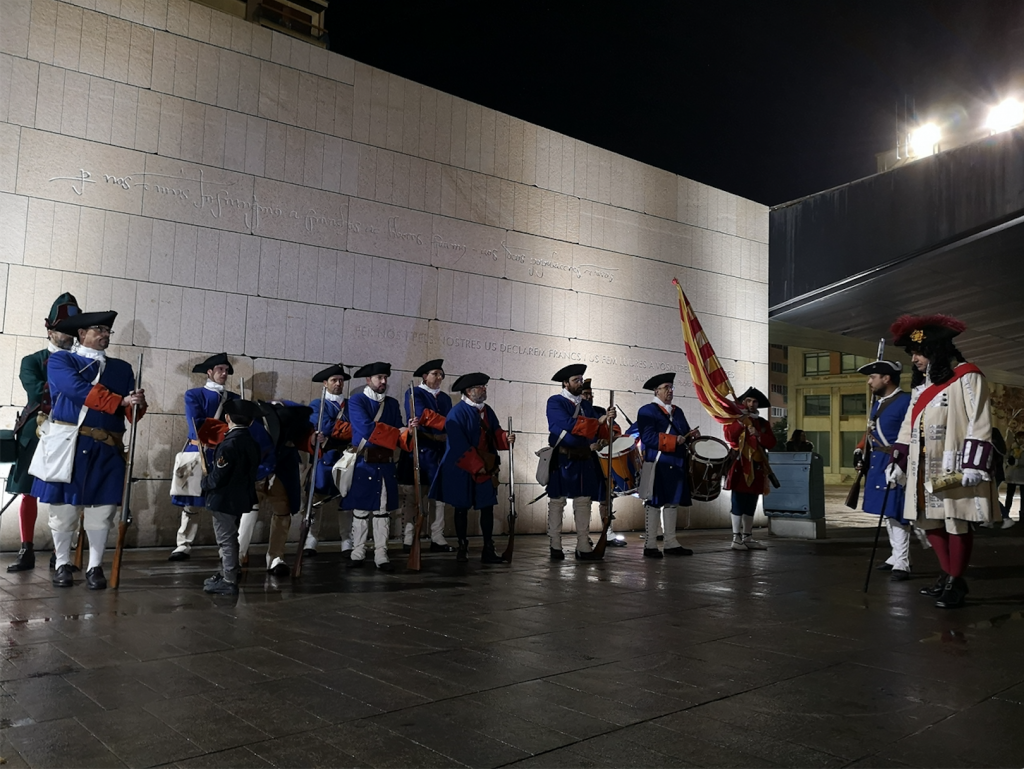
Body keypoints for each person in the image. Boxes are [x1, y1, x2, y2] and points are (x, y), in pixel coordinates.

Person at [887, 314, 1002, 609]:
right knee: (929, 522)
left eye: (918, 352)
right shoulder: (922, 386)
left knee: (956, 522)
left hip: (955, 464)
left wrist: (975, 463)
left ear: (936, 350)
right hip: (922, 465)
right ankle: (950, 575)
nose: (914, 359)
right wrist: (898, 461)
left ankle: (955, 580)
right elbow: (908, 425)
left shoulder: (968, 376)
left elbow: (980, 420)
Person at [32, 310, 147, 589]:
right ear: (82, 334)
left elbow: (131, 412)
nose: (106, 335)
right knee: (64, 510)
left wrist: (137, 404)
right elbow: (74, 389)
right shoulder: (61, 360)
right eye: (100, 330)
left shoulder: (122, 369)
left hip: (108, 447)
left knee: (103, 510)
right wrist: (120, 401)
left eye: (108, 331)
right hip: (72, 444)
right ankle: (62, 563)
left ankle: (95, 567)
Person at [5, 293, 80, 573]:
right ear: (49, 330)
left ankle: (61, 553)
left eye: (73, 330)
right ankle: (26, 549)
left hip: (70, 432)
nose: (69, 335)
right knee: (28, 492)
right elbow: (36, 391)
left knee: (63, 493)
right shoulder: (32, 360)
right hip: (36, 431)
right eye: (63, 329)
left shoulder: (82, 362)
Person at [429, 373, 514, 563]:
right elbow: (459, 445)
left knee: (487, 508)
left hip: (484, 466)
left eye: (484, 387)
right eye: (480, 387)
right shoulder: (457, 412)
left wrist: (504, 438)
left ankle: (488, 549)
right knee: (461, 508)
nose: (484, 390)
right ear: (469, 391)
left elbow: (495, 432)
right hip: (463, 467)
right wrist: (478, 466)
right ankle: (462, 546)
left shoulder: (487, 411)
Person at [341, 362, 414, 571]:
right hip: (365, 462)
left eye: (385, 378)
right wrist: (396, 432)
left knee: (382, 510)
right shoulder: (356, 401)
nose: (383, 381)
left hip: (385, 464)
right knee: (361, 510)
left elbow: (399, 428)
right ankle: (358, 551)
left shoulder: (390, 403)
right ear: (368, 380)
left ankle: (381, 553)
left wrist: (408, 430)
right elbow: (365, 428)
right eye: (379, 377)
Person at [168, 353, 239, 561]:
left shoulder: (234, 398)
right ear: (209, 372)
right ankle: (183, 544)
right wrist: (228, 430)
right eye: (220, 369)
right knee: (191, 500)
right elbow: (196, 426)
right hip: (198, 451)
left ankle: (225, 546)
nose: (224, 373)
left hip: (223, 453)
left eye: (226, 370)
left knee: (224, 503)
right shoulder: (194, 395)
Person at [545, 364, 614, 561]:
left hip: (583, 459)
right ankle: (555, 543)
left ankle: (583, 544)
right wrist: (597, 422)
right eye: (576, 380)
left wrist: (607, 420)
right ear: (565, 383)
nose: (580, 384)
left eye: (581, 380)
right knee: (557, 501)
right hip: (563, 458)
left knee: (583, 501)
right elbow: (568, 425)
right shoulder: (555, 402)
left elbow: (596, 431)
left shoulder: (585, 405)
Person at [854, 359, 912, 579]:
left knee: (896, 511)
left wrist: (901, 464)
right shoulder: (878, 404)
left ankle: (903, 561)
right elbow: (872, 432)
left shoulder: (906, 400)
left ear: (886, 378)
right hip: (878, 461)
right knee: (887, 511)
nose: (869, 382)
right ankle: (896, 555)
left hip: (896, 461)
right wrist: (861, 450)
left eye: (873, 377)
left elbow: (912, 435)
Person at [239, 401, 313, 576]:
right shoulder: (257, 420)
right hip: (258, 470)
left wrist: (314, 439)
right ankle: (238, 555)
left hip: (283, 471)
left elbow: (304, 439)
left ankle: (275, 558)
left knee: (282, 512)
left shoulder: (295, 419)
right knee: (248, 509)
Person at [200, 399, 261, 596]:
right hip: (240, 497)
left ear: (227, 418)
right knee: (231, 538)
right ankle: (231, 571)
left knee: (226, 540)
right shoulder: (251, 442)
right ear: (251, 422)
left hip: (224, 498)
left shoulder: (229, 444)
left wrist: (204, 483)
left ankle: (229, 579)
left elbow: (219, 476)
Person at [636, 373, 698, 557]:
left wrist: (690, 435)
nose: (670, 391)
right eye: (666, 388)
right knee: (654, 503)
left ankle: (671, 542)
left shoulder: (677, 411)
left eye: (671, 388)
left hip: (676, 462)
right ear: (656, 391)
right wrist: (673, 440)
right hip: (658, 462)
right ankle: (650, 545)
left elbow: (684, 432)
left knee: (672, 503)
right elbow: (647, 437)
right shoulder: (647, 410)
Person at [401, 359, 454, 553]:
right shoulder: (414, 393)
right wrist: (450, 424)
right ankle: (409, 537)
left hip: (439, 452)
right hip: (421, 450)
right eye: (435, 374)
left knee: (438, 499)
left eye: (441, 374)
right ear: (424, 376)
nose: (439, 377)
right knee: (414, 498)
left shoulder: (446, 399)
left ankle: (437, 536)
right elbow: (423, 415)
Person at [302, 364, 353, 557]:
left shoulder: (350, 404)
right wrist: (348, 430)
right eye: (334, 380)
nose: (338, 384)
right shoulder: (317, 404)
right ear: (325, 383)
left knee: (346, 500)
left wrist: (342, 430)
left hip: (347, 459)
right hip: (325, 458)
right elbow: (326, 427)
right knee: (317, 499)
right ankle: (311, 539)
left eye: (340, 380)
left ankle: (347, 540)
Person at [722, 386, 777, 550]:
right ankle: (736, 538)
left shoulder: (763, 423)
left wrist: (758, 435)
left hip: (757, 465)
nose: (751, 404)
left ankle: (747, 536)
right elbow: (730, 437)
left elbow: (772, 443)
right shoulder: (734, 419)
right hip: (740, 463)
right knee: (738, 501)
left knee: (752, 501)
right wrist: (741, 422)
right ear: (743, 402)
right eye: (748, 400)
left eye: (754, 401)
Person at [582, 378, 626, 547]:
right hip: (584, 458)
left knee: (605, 497)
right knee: (583, 499)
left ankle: (607, 532)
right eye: (586, 394)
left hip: (601, 459)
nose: (589, 397)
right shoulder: (576, 412)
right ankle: (583, 534)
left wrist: (607, 440)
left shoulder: (600, 411)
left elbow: (613, 431)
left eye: (590, 394)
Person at [1005, 431, 1024, 520]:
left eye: (1023, 438)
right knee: (1009, 495)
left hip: (1022, 475)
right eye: (1019, 438)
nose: (1021, 440)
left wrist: (1017, 462)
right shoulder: (1012, 448)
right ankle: (1006, 514)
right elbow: (1006, 457)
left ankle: (1022, 515)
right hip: (1012, 475)